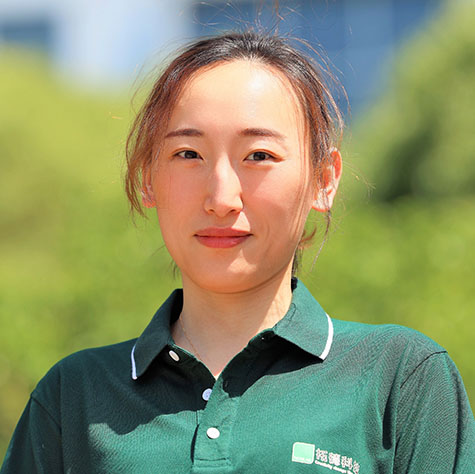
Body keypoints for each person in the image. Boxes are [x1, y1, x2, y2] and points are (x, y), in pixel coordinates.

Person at [1, 31, 474, 474]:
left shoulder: (400, 378)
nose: (221, 198)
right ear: (147, 177)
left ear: (324, 179)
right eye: (188, 154)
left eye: (259, 156)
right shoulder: (73, 396)